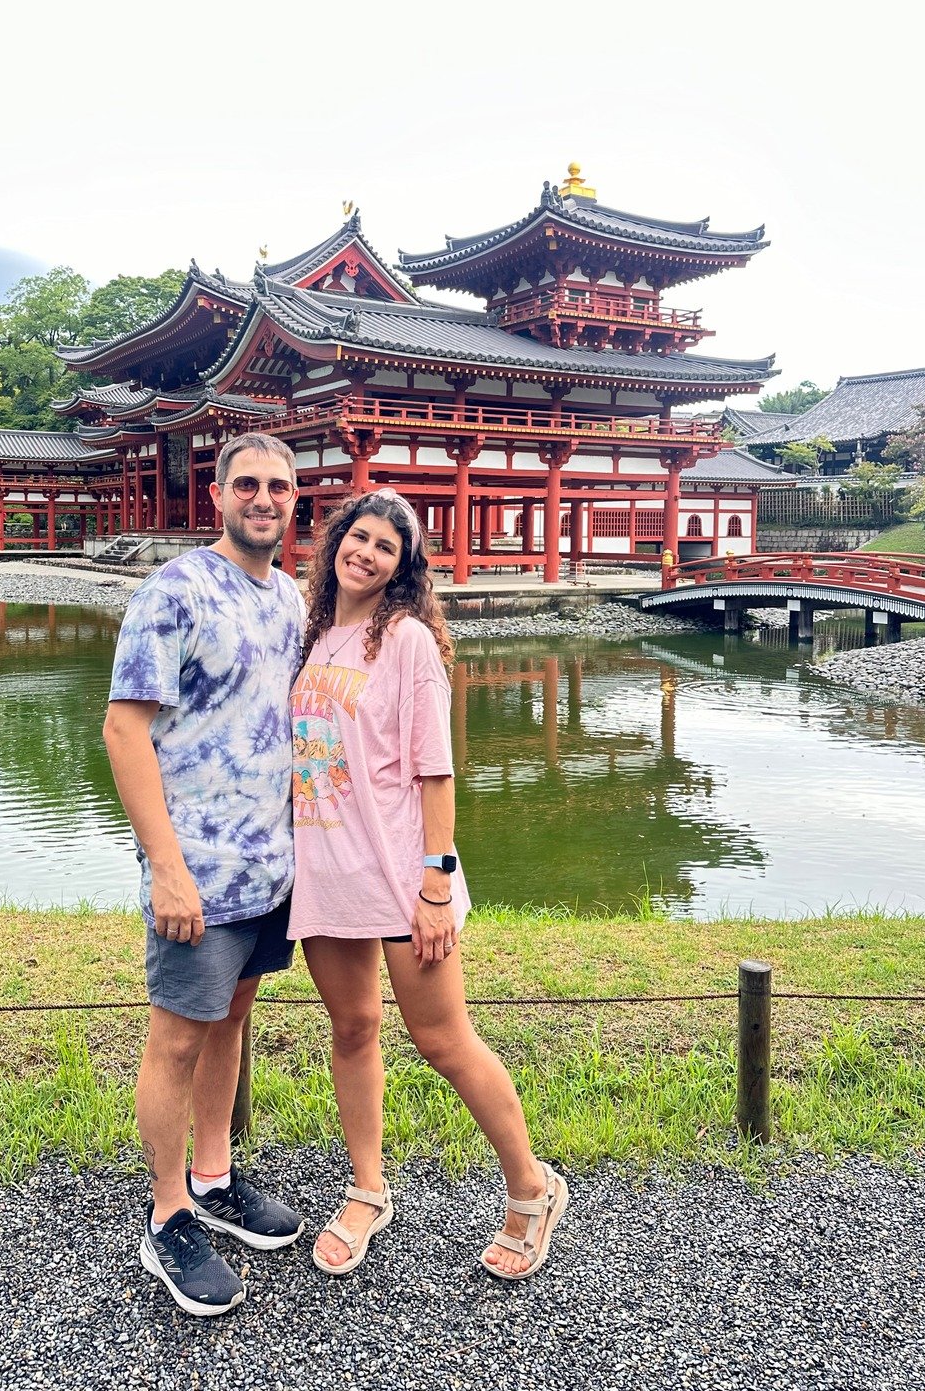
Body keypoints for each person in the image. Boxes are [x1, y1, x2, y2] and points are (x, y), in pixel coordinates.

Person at [288, 488, 568, 1281]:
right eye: (359, 536)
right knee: (352, 1031)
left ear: (405, 568)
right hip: (326, 872)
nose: (367, 553)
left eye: (387, 547)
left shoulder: (407, 641)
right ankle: (368, 1190)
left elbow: (436, 772)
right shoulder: (315, 635)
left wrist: (436, 882)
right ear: (336, 541)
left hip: (404, 874)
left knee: (443, 1040)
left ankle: (531, 1189)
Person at [103, 432, 306, 1318]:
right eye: (248, 484)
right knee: (178, 1035)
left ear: (296, 502)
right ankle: (167, 1214)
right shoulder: (175, 590)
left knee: (233, 1017)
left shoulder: (292, 597)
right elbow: (124, 729)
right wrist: (166, 868)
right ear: (218, 495)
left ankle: (215, 1175)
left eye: (280, 487)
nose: (264, 498)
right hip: (197, 867)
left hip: (269, 863)